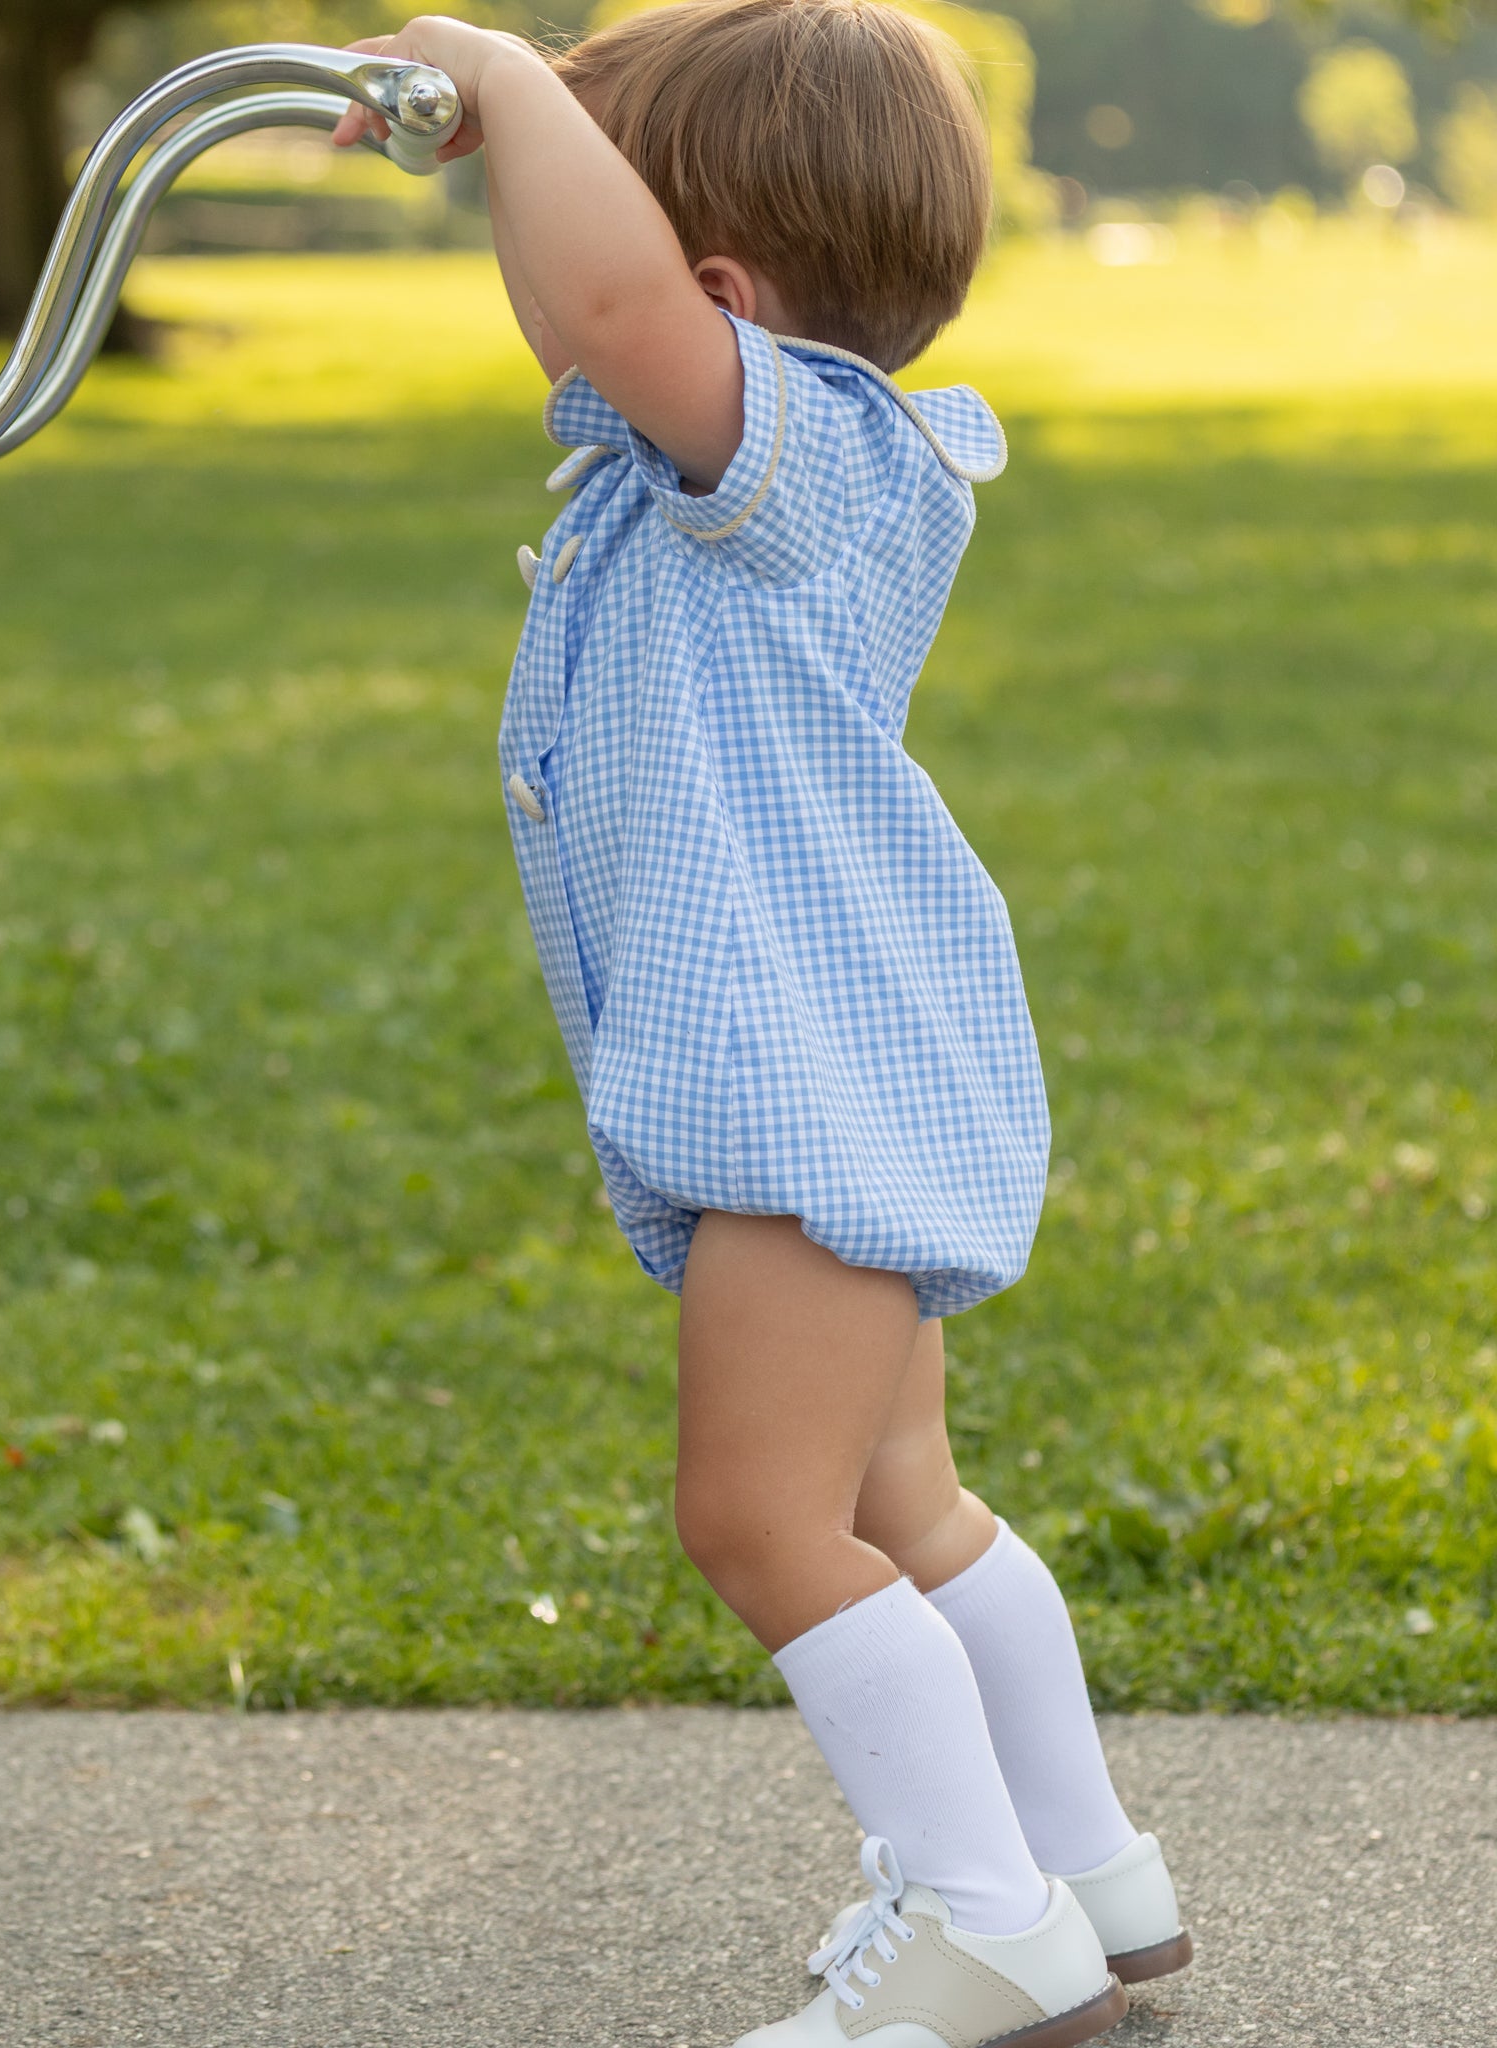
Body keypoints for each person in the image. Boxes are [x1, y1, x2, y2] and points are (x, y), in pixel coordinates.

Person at [336, 5, 1188, 2043]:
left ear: (716, 292)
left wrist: (511, 76)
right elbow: (592, 299)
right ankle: (1083, 1874)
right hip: (844, 1059)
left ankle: (985, 1923)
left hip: (806, 1090)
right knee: (902, 1505)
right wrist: (532, 136)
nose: (556, 289)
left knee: (756, 1517)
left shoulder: (791, 460)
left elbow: (608, 301)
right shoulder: (721, 465)